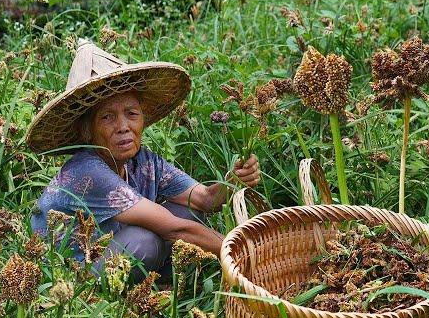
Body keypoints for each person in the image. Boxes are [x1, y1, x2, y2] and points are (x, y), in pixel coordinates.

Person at [26, 39, 260, 283]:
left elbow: (205, 199)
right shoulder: (87, 170)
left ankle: (160, 285)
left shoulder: (143, 161)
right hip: (71, 278)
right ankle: (122, 301)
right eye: (107, 117)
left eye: (132, 114)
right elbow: (174, 229)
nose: (123, 127)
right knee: (144, 242)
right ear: (87, 131)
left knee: (190, 212)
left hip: (111, 252)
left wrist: (233, 180)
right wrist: (244, 255)